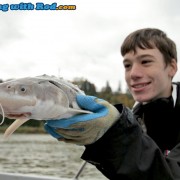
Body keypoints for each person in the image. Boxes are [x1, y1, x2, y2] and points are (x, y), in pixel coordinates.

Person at [44, 28, 180, 180]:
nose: (133, 74)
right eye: (127, 65)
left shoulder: (123, 126)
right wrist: (100, 139)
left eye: (146, 61)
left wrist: (112, 133)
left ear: (172, 67)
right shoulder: (132, 119)